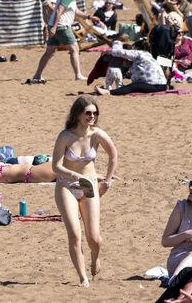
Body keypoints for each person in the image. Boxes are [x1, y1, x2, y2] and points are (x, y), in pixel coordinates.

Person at [51, 95, 118, 287]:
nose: (92, 116)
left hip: (89, 186)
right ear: (78, 114)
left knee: (94, 238)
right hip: (67, 185)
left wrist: (107, 181)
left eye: (95, 113)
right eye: (88, 113)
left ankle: (95, 257)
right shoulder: (65, 136)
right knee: (74, 234)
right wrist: (73, 175)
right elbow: (55, 166)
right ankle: (82, 277)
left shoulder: (97, 134)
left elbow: (113, 156)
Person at [27, 0, 89, 84]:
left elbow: (76, 11)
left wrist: (89, 17)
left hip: (54, 25)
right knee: (74, 49)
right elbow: (58, 11)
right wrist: (55, 27)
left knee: (49, 52)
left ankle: (37, 75)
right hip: (61, 26)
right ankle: (78, 74)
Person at [94, 39, 167, 95]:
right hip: (161, 85)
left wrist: (108, 51)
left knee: (133, 86)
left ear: (136, 47)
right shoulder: (148, 55)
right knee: (132, 86)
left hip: (156, 86)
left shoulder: (138, 53)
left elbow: (120, 52)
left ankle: (108, 92)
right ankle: (114, 90)